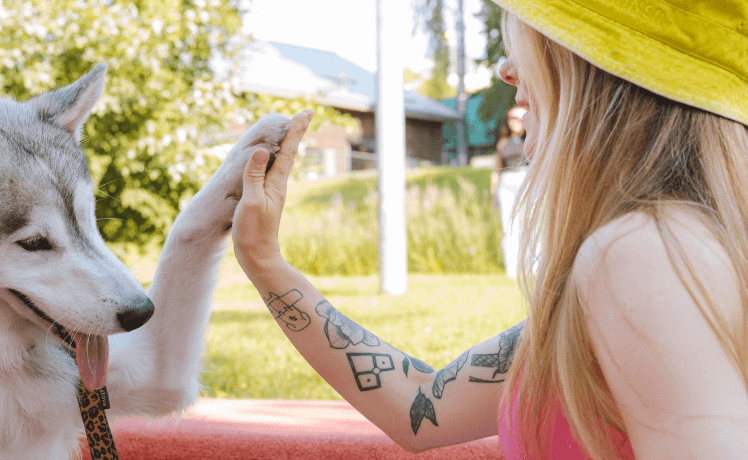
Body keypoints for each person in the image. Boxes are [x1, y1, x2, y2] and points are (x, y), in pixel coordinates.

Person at [230, 1, 748, 458]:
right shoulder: (664, 252)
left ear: (606, 63)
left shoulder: (644, 255)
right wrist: (264, 261)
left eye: (541, 25)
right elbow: (420, 403)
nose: (505, 70)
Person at [492, 106, 528, 277]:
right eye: (512, 118)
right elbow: (497, 168)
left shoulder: (531, 140)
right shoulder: (502, 143)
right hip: (507, 182)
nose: (516, 122)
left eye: (519, 119)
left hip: (526, 179)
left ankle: (530, 267)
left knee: (528, 225)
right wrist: (494, 194)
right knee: (509, 226)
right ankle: (511, 269)